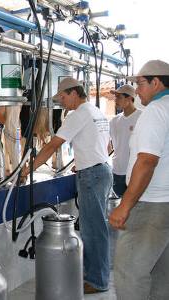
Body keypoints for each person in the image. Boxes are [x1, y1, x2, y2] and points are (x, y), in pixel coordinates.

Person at [24, 77, 112, 294]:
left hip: (92, 176)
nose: (61, 102)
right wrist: (83, 161)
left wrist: (28, 169)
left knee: (93, 230)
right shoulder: (96, 112)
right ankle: (96, 274)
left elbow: (53, 145)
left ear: (74, 93)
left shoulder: (78, 115)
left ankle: (97, 281)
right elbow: (106, 145)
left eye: (63, 97)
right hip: (101, 171)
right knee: (97, 228)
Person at [109, 60, 169, 300]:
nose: (138, 90)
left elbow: (146, 161)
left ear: (156, 83)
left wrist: (125, 205)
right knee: (161, 273)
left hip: (151, 205)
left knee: (129, 273)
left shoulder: (155, 110)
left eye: (140, 84)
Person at [109, 84, 141, 197]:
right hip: (117, 170)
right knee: (120, 205)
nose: (115, 100)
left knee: (136, 208)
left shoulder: (142, 117)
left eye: (119, 97)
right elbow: (109, 146)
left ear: (129, 98)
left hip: (135, 172)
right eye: (115, 97)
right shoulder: (114, 121)